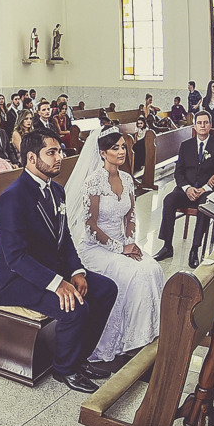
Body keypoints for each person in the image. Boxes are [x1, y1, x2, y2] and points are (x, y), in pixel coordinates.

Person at [0, 129, 119, 393]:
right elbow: (15, 258)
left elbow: (65, 237)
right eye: (52, 152)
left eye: (60, 151)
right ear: (32, 158)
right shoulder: (12, 198)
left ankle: (80, 358)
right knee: (75, 308)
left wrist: (77, 271)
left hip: (50, 269)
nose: (60, 157)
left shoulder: (57, 191)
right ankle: (65, 369)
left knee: (105, 290)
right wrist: (58, 283)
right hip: (16, 281)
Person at [65, 127, 164, 365]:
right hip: (95, 248)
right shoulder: (94, 182)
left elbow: (130, 216)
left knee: (153, 269)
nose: (121, 151)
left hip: (121, 243)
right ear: (102, 153)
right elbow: (90, 227)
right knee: (137, 274)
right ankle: (123, 343)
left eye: (123, 146)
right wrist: (120, 249)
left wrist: (129, 241)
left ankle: (144, 337)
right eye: (115, 148)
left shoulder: (128, 179)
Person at [152, 111, 214, 268]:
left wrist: (205, 188)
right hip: (185, 189)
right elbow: (178, 171)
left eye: (205, 122)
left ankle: (195, 249)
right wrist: (187, 188)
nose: (202, 125)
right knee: (169, 200)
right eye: (199, 122)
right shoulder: (186, 145)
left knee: (204, 207)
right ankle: (167, 246)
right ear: (195, 126)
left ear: (210, 125)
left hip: (206, 192)